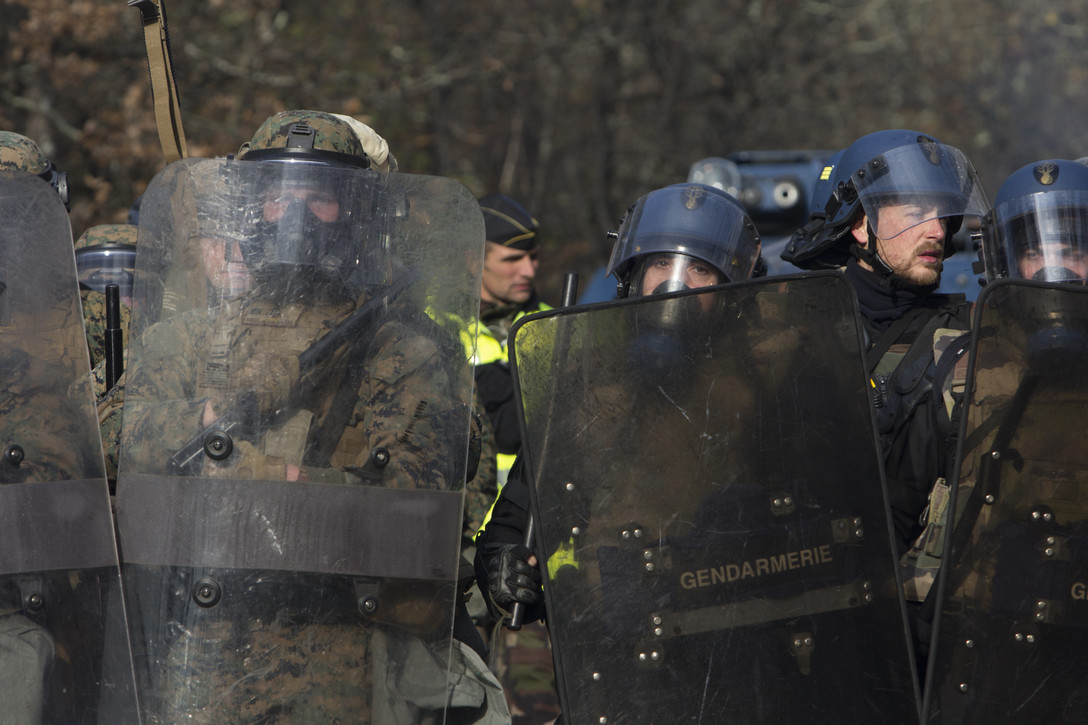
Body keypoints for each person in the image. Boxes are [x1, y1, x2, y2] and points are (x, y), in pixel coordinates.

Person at [114, 110, 508, 723]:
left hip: (342, 648)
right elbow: (108, 436)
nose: (294, 216)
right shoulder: (192, 338)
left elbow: (416, 502)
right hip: (202, 641)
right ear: (252, 208)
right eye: (277, 197)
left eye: (320, 197)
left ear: (357, 211)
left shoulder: (402, 346)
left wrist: (268, 481)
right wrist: (208, 414)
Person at [475, 181, 763, 641]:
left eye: (700, 271)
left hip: (727, 637)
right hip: (607, 648)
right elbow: (518, 514)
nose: (676, 284)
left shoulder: (762, 386)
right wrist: (502, 564)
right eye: (663, 263)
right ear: (634, 274)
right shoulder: (587, 380)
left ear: (730, 290)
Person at [782, 129, 991, 671]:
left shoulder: (972, 340)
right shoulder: (787, 339)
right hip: (796, 619)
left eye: (943, 213)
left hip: (916, 637)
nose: (937, 229)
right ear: (859, 225)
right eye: (915, 209)